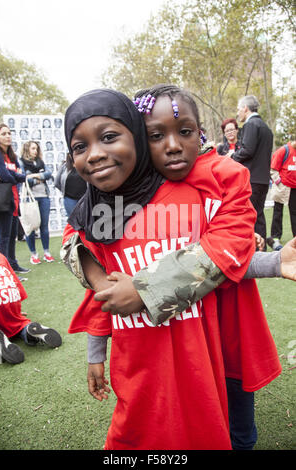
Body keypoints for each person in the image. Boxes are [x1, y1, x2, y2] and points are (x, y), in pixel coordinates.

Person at [75, 85, 281, 451]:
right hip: (155, 354)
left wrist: (144, 290)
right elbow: (99, 267)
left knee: (237, 426)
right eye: (156, 136)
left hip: (222, 328)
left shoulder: (218, 178)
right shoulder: (110, 203)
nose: (171, 145)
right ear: (141, 139)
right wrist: (96, 351)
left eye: (184, 132)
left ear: (200, 132)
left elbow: (227, 251)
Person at [0, 251, 62, 365]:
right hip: (10, 300)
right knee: (18, 323)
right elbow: (15, 283)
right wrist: (16, 311)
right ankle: (27, 330)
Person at [231, 95, 273, 244]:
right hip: (263, 181)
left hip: (252, 180)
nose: (238, 113)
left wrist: (231, 157)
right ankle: (261, 252)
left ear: (245, 108)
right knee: (259, 216)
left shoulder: (251, 125)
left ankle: (252, 252)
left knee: (249, 216)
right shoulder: (266, 128)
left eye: (238, 109)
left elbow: (247, 150)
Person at [0, 123, 29, 279]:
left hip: (14, 199)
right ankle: (3, 271)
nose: (7, 136)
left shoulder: (12, 156)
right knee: (3, 237)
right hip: (2, 200)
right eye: (3, 134)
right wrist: (13, 174)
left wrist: (13, 175)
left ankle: (13, 265)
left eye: (9, 133)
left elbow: (18, 175)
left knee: (12, 235)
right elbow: (6, 175)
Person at [20, 141, 55, 265]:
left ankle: (47, 252)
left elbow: (49, 174)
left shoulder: (41, 162)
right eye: (33, 148)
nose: (35, 150)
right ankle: (33, 254)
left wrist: (34, 176)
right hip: (30, 199)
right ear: (27, 149)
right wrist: (39, 178)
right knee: (31, 227)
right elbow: (25, 179)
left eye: (37, 148)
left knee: (44, 227)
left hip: (44, 196)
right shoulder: (21, 162)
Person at [267, 139, 296, 251]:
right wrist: (279, 182)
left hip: (294, 188)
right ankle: (275, 236)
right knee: (277, 212)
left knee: (294, 213)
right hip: (282, 187)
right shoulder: (284, 150)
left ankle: (295, 237)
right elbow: (273, 169)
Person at [54, 153, 87, 217]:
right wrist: (64, 191)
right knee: (73, 223)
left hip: (84, 199)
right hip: (69, 199)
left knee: (86, 221)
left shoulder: (84, 164)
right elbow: (57, 182)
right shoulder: (64, 166)